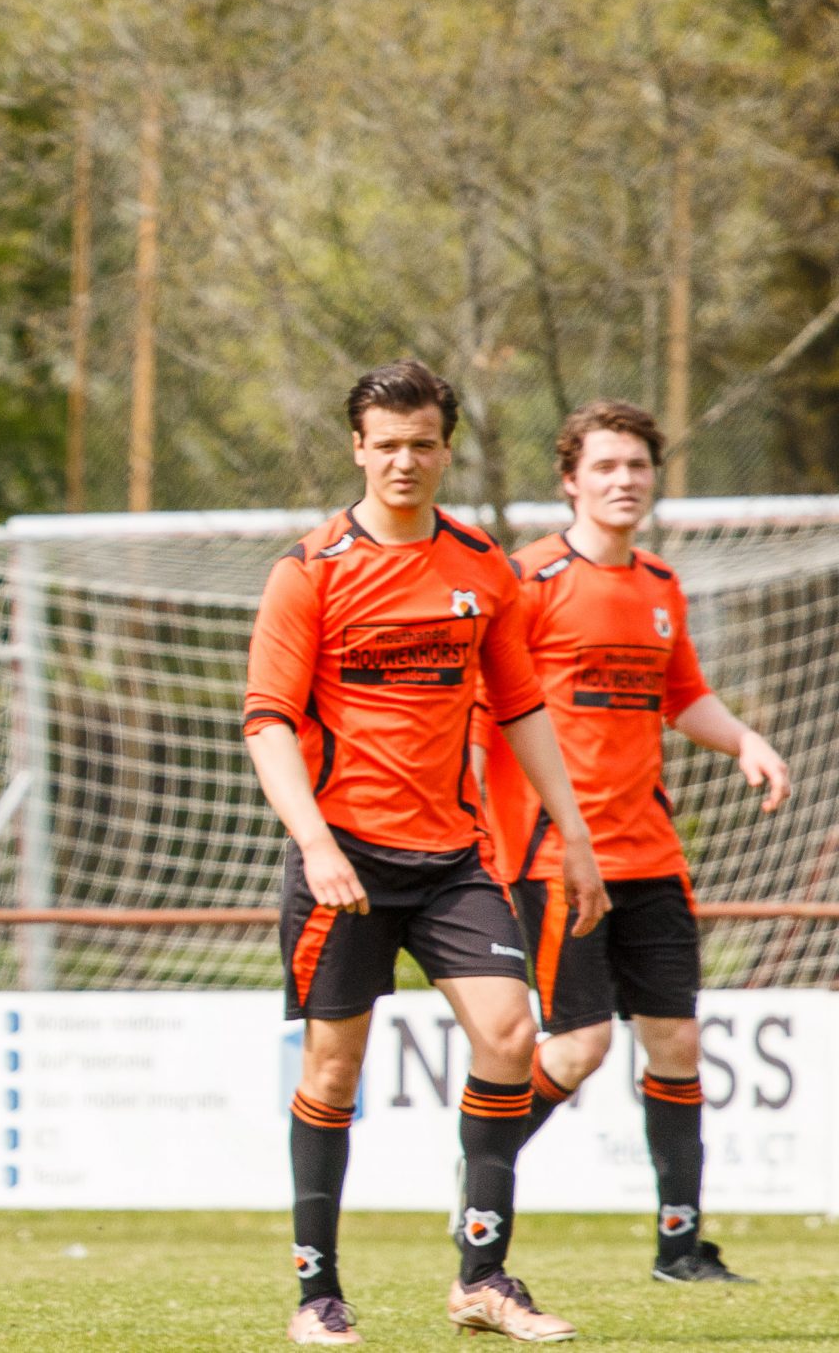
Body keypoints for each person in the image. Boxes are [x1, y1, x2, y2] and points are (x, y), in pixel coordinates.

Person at [244, 359, 607, 1345]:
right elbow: (266, 724)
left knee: (504, 1034)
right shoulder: (307, 570)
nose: (402, 461)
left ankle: (480, 1278)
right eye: (384, 444)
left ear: (445, 447)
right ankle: (315, 1293)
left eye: (421, 443)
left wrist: (571, 836)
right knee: (329, 1070)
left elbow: (522, 706)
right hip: (342, 859)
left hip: (452, 858)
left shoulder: (482, 567)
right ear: (356, 447)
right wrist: (313, 842)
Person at [475, 400, 789, 1283]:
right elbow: (482, 711)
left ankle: (681, 1245)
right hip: (553, 857)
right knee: (578, 1049)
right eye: (605, 467)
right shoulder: (527, 581)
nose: (623, 481)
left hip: (650, 854)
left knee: (678, 1043)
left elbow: (683, 695)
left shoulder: (657, 583)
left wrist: (745, 741)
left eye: (637, 467)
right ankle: (483, 1156)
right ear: (570, 480)